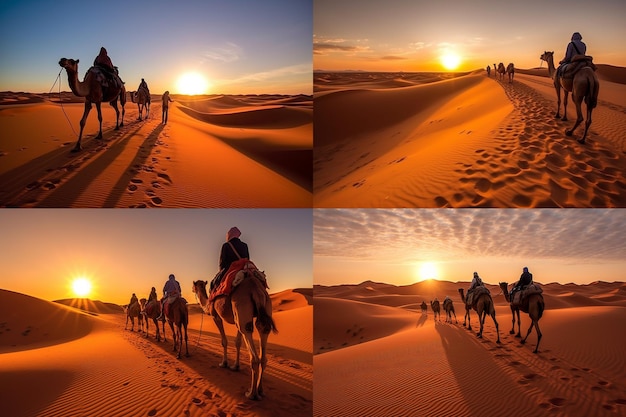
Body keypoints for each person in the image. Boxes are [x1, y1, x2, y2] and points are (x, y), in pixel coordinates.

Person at [210, 227, 250, 292]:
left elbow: (222, 263)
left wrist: (220, 272)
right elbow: (247, 258)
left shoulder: (226, 245)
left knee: (213, 284)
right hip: (244, 267)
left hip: (230, 268)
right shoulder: (245, 245)